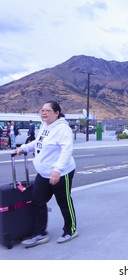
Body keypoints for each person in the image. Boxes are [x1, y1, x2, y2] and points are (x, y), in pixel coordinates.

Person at [15, 101, 78, 248]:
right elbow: (38, 142)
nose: (43, 113)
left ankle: (70, 230)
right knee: (37, 201)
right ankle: (39, 233)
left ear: (56, 113)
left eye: (47, 111)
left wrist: (57, 171)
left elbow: (66, 151)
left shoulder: (63, 129)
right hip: (43, 173)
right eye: (42, 110)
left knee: (64, 202)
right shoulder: (44, 126)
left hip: (62, 173)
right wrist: (23, 148)